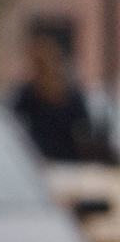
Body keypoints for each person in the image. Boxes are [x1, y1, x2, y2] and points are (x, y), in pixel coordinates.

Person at [8, 33, 110, 162]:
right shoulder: (28, 95)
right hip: (51, 160)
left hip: (56, 160)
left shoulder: (69, 95)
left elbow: (85, 132)